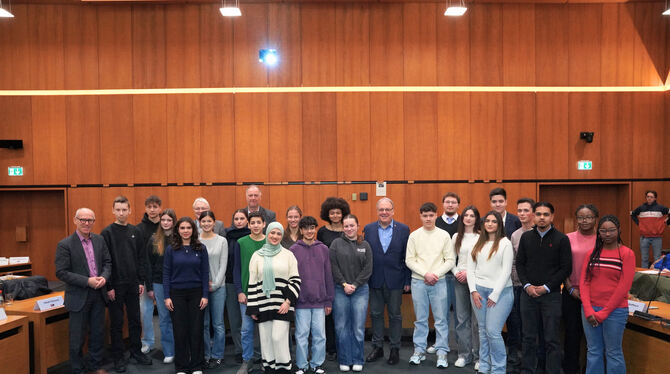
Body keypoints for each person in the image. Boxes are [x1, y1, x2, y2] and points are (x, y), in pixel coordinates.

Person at [515, 202, 572, 374]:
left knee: (551, 339)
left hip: (551, 296)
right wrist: (527, 286)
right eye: (538, 214)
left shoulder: (562, 239)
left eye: (545, 214)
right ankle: (527, 370)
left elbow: (565, 269)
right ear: (534, 216)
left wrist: (546, 287)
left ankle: (552, 370)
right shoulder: (526, 237)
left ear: (552, 217)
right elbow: (520, 264)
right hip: (528, 295)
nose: (541, 217)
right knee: (528, 337)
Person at [55, 208, 112, 374]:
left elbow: (108, 262)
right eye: (83, 220)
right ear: (75, 220)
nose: (86, 223)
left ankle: (95, 366)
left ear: (94, 222)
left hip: (99, 294)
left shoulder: (100, 240)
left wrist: (104, 277)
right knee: (77, 337)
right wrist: (87, 281)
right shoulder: (65, 244)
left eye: (90, 220)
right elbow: (61, 272)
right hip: (79, 296)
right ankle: (78, 369)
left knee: (97, 333)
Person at [101, 196, 152, 372]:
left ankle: (136, 351)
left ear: (130, 210)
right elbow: (104, 261)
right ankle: (118, 357)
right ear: (113, 211)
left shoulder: (135, 231)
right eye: (118, 210)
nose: (121, 213)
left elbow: (141, 258)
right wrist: (109, 287)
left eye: (125, 209)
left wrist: (140, 280)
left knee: (135, 320)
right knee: (116, 322)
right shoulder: (106, 233)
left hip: (133, 284)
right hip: (115, 285)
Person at [579, 215, 635, 374]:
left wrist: (603, 313)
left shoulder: (627, 254)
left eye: (611, 230)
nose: (607, 234)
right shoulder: (591, 253)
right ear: (599, 232)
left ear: (619, 231)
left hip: (615, 311)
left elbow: (623, 287)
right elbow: (584, 282)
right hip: (590, 310)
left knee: (613, 352)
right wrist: (589, 310)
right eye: (603, 231)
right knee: (593, 351)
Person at [405, 202, 456, 368]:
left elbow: (450, 260)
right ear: (420, 216)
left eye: (431, 215)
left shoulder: (443, 235)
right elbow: (409, 260)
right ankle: (419, 350)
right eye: (425, 216)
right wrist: (425, 274)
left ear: (436, 215)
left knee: (441, 319)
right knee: (420, 319)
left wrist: (436, 274)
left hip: (439, 281)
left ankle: (442, 352)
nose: (428, 218)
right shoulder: (414, 236)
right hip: (419, 281)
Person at [247, 222, 301, 374]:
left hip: (282, 304)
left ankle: (284, 368)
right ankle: (270, 368)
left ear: (282, 236)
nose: (275, 236)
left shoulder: (288, 255)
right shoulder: (257, 256)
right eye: (272, 233)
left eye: (278, 233)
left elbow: (295, 280)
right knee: (266, 340)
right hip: (263, 304)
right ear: (267, 233)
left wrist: (288, 302)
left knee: (278, 338)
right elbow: (252, 282)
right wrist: (253, 306)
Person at [363, 197, 410, 366]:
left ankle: (395, 348)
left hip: (396, 280)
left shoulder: (404, 230)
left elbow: (407, 257)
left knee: (395, 315)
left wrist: (407, 279)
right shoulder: (368, 229)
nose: (384, 212)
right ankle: (377, 347)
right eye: (381, 209)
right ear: (377, 211)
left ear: (393, 211)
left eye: (387, 209)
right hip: (374, 279)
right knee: (375, 314)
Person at [467, 211, 514, 374]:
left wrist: (494, 295)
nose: (490, 224)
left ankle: (499, 369)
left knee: (493, 332)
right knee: (482, 330)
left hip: (500, 293)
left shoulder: (505, 243)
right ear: (483, 223)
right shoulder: (477, 242)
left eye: (494, 221)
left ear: (499, 224)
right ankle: (485, 365)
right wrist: (473, 291)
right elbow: (470, 269)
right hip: (478, 292)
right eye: (487, 221)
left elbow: (506, 271)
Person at [163, 217, 210, 374]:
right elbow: (166, 273)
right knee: (180, 330)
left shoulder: (201, 248)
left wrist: (205, 295)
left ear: (193, 230)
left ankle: (197, 365)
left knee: (196, 330)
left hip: (197, 293)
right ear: (178, 230)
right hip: (176, 294)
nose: (185, 231)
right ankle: (182, 366)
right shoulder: (171, 249)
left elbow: (205, 273)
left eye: (188, 228)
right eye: (182, 228)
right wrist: (166, 296)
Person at [290, 216, 334, 374]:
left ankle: (317, 363)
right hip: (301, 302)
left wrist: (329, 301)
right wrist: (292, 301)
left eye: (312, 228)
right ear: (301, 231)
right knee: (301, 335)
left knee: (320, 335)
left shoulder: (323, 249)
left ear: (315, 229)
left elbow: (328, 276)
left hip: (320, 301)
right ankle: (302, 365)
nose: (309, 231)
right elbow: (291, 278)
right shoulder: (293, 250)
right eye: (306, 228)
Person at [330, 214, 373, 372]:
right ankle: (345, 359)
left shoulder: (365, 245)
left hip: (360, 290)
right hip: (340, 290)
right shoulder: (336, 244)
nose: (349, 229)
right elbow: (333, 266)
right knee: (342, 326)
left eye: (352, 225)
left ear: (358, 226)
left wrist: (354, 285)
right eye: (346, 226)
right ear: (343, 227)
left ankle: (357, 359)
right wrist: (344, 284)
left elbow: (368, 269)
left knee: (358, 327)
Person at [563, 204, 598, 374]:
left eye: (589, 217)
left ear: (595, 219)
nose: (585, 221)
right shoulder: (567, 238)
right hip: (572, 293)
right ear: (576, 219)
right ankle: (571, 369)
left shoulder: (602, 238)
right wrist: (569, 288)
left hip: (595, 296)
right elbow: (561, 266)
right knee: (572, 335)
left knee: (593, 338)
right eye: (581, 217)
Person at [317, 196, 351, 360]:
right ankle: (331, 347)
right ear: (327, 214)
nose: (336, 215)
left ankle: (343, 346)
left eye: (338, 213)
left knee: (343, 315)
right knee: (328, 314)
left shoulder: (348, 230)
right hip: (327, 277)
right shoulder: (322, 231)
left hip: (346, 278)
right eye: (332, 213)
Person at [506, 198, 538, 373]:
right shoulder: (515, 234)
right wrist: (513, 281)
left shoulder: (540, 232)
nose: (522, 214)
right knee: (514, 322)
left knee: (531, 325)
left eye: (526, 210)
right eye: (519, 211)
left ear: (533, 212)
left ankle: (531, 358)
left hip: (535, 287)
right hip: (517, 285)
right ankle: (514, 354)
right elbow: (512, 262)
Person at [234, 211, 267, 374]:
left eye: (258, 222)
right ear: (248, 225)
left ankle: (264, 359)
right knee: (246, 329)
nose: (255, 225)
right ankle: (247, 360)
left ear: (264, 224)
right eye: (252, 223)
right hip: (247, 294)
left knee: (265, 329)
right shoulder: (241, 242)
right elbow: (237, 269)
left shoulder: (270, 241)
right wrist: (240, 291)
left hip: (266, 294)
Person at [451, 206, 481, 369]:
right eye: (466, 215)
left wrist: (469, 274)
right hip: (460, 281)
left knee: (477, 321)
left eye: (472, 215)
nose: (468, 218)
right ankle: (464, 355)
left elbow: (483, 261)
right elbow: (450, 259)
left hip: (476, 281)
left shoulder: (482, 236)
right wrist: (457, 273)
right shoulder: (457, 236)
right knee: (462, 320)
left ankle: (478, 357)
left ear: (476, 218)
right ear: (462, 218)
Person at [430, 192, 460, 357]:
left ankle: (460, 344)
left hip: (458, 275)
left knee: (459, 313)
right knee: (440, 313)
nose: (450, 205)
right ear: (442, 204)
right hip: (439, 275)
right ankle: (439, 343)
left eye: (453, 202)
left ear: (458, 205)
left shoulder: (464, 221)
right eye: (447, 202)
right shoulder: (436, 222)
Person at [199, 211, 229, 369]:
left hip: (219, 287)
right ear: (200, 223)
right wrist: (204, 285)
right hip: (201, 289)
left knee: (218, 323)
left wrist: (215, 284)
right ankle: (206, 354)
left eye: (209, 221)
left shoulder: (222, 241)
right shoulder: (195, 240)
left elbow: (223, 264)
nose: (206, 224)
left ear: (214, 222)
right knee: (203, 323)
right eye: (203, 221)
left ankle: (218, 355)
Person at [147, 209, 177, 364]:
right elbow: (149, 264)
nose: (165, 222)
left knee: (178, 317)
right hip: (158, 283)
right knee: (164, 318)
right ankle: (169, 350)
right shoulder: (154, 239)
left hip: (177, 283)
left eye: (169, 220)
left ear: (173, 222)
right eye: (163, 220)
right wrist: (149, 287)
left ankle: (181, 348)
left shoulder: (179, 238)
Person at [136, 195, 162, 354]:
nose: (152, 210)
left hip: (163, 276)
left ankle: (171, 342)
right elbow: (140, 256)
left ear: (160, 208)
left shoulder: (166, 225)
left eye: (155, 207)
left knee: (167, 311)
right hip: (146, 276)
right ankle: (147, 341)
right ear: (145, 208)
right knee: (145, 311)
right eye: (149, 207)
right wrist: (142, 278)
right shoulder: (139, 229)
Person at [225, 209, 251, 363]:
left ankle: (251, 349)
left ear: (247, 220)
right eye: (236, 218)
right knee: (234, 319)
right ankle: (238, 349)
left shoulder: (252, 236)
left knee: (248, 320)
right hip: (230, 281)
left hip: (248, 282)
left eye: (242, 218)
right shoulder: (227, 237)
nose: (239, 221)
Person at [631, 190, 669, 268]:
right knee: (644, 258)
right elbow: (632, 214)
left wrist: (666, 221)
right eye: (648, 197)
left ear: (655, 198)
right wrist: (639, 224)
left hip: (657, 237)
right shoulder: (641, 208)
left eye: (651, 197)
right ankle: (644, 275)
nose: (649, 198)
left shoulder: (661, 208)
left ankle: (656, 276)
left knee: (657, 258)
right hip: (644, 237)